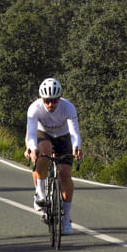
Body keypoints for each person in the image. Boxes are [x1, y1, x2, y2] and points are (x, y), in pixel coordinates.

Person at [24, 76, 82, 234]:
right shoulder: (35, 108)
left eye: (54, 101)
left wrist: (76, 147)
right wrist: (32, 148)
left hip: (63, 136)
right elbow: (30, 133)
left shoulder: (68, 107)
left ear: (59, 99)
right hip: (44, 134)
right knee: (44, 149)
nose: (50, 104)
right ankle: (40, 193)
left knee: (64, 174)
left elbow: (74, 132)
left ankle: (66, 219)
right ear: (42, 98)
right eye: (47, 100)